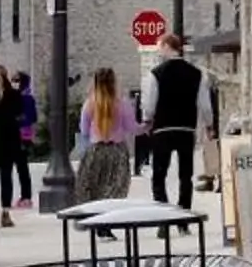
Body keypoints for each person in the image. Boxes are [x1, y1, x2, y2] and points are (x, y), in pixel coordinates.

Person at [141, 33, 212, 211]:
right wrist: (209, 125)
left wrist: (147, 121)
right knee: (185, 175)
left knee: (159, 174)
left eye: (160, 47)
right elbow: (204, 105)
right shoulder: (197, 74)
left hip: (162, 128)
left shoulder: (156, 74)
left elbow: (149, 104)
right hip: (186, 128)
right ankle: (184, 214)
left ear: (167, 46)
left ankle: (163, 213)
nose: (159, 51)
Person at [73, 67, 133, 204]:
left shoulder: (89, 104)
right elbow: (132, 127)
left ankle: (93, 220)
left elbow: (84, 131)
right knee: (115, 190)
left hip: (96, 151)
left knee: (91, 188)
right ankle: (109, 220)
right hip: (118, 151)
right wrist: (147, 126)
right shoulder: (122, 104)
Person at [0, 66, 27, 227]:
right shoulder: (13, 93)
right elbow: (20, 113)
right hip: (9, 142)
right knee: (6, 178)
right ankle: (5, 213)